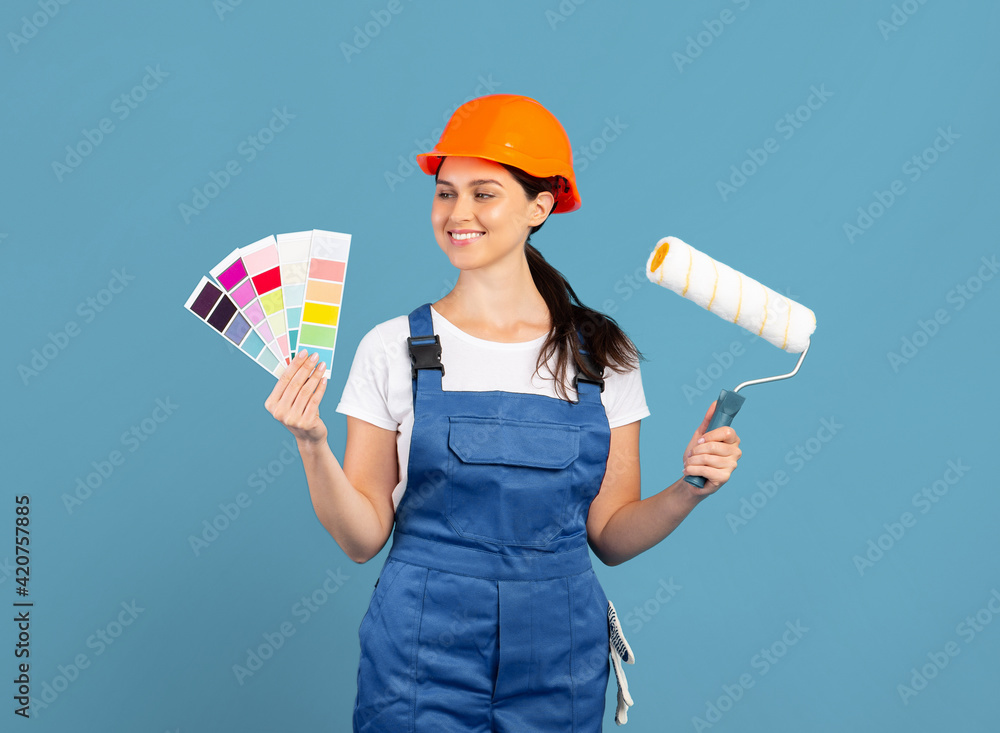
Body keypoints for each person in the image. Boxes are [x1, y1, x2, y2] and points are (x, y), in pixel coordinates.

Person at [264, 94, 742, 732]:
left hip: (559, 652)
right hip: (419, 652)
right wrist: (311, 443)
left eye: (483, 193)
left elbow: (611, 536)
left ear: (539, 205)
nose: (458, 213)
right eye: (445, 192)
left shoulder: (601, 357)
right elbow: (361, 538)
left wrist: (690, 489)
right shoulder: (391, 349)